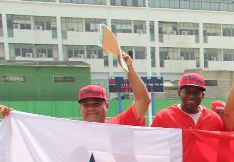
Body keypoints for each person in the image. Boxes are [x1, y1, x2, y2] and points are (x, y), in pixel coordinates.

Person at [1, 52, 149, 125]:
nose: (91, 108)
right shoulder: (70, 132)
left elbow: (143, 100)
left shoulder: (119, 124)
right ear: (80, 107)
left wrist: (129, 68)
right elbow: (35, 134)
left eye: (96, 103)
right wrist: (14, 117)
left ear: (107, 105)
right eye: (86, 104)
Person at [151, 72, 223, 130]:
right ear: (179, 93)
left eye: (196, 92)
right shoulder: (164, 116)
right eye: (187, 92)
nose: (191, 96)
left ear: (203, 95)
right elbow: (152, 141)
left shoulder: (214, 119)